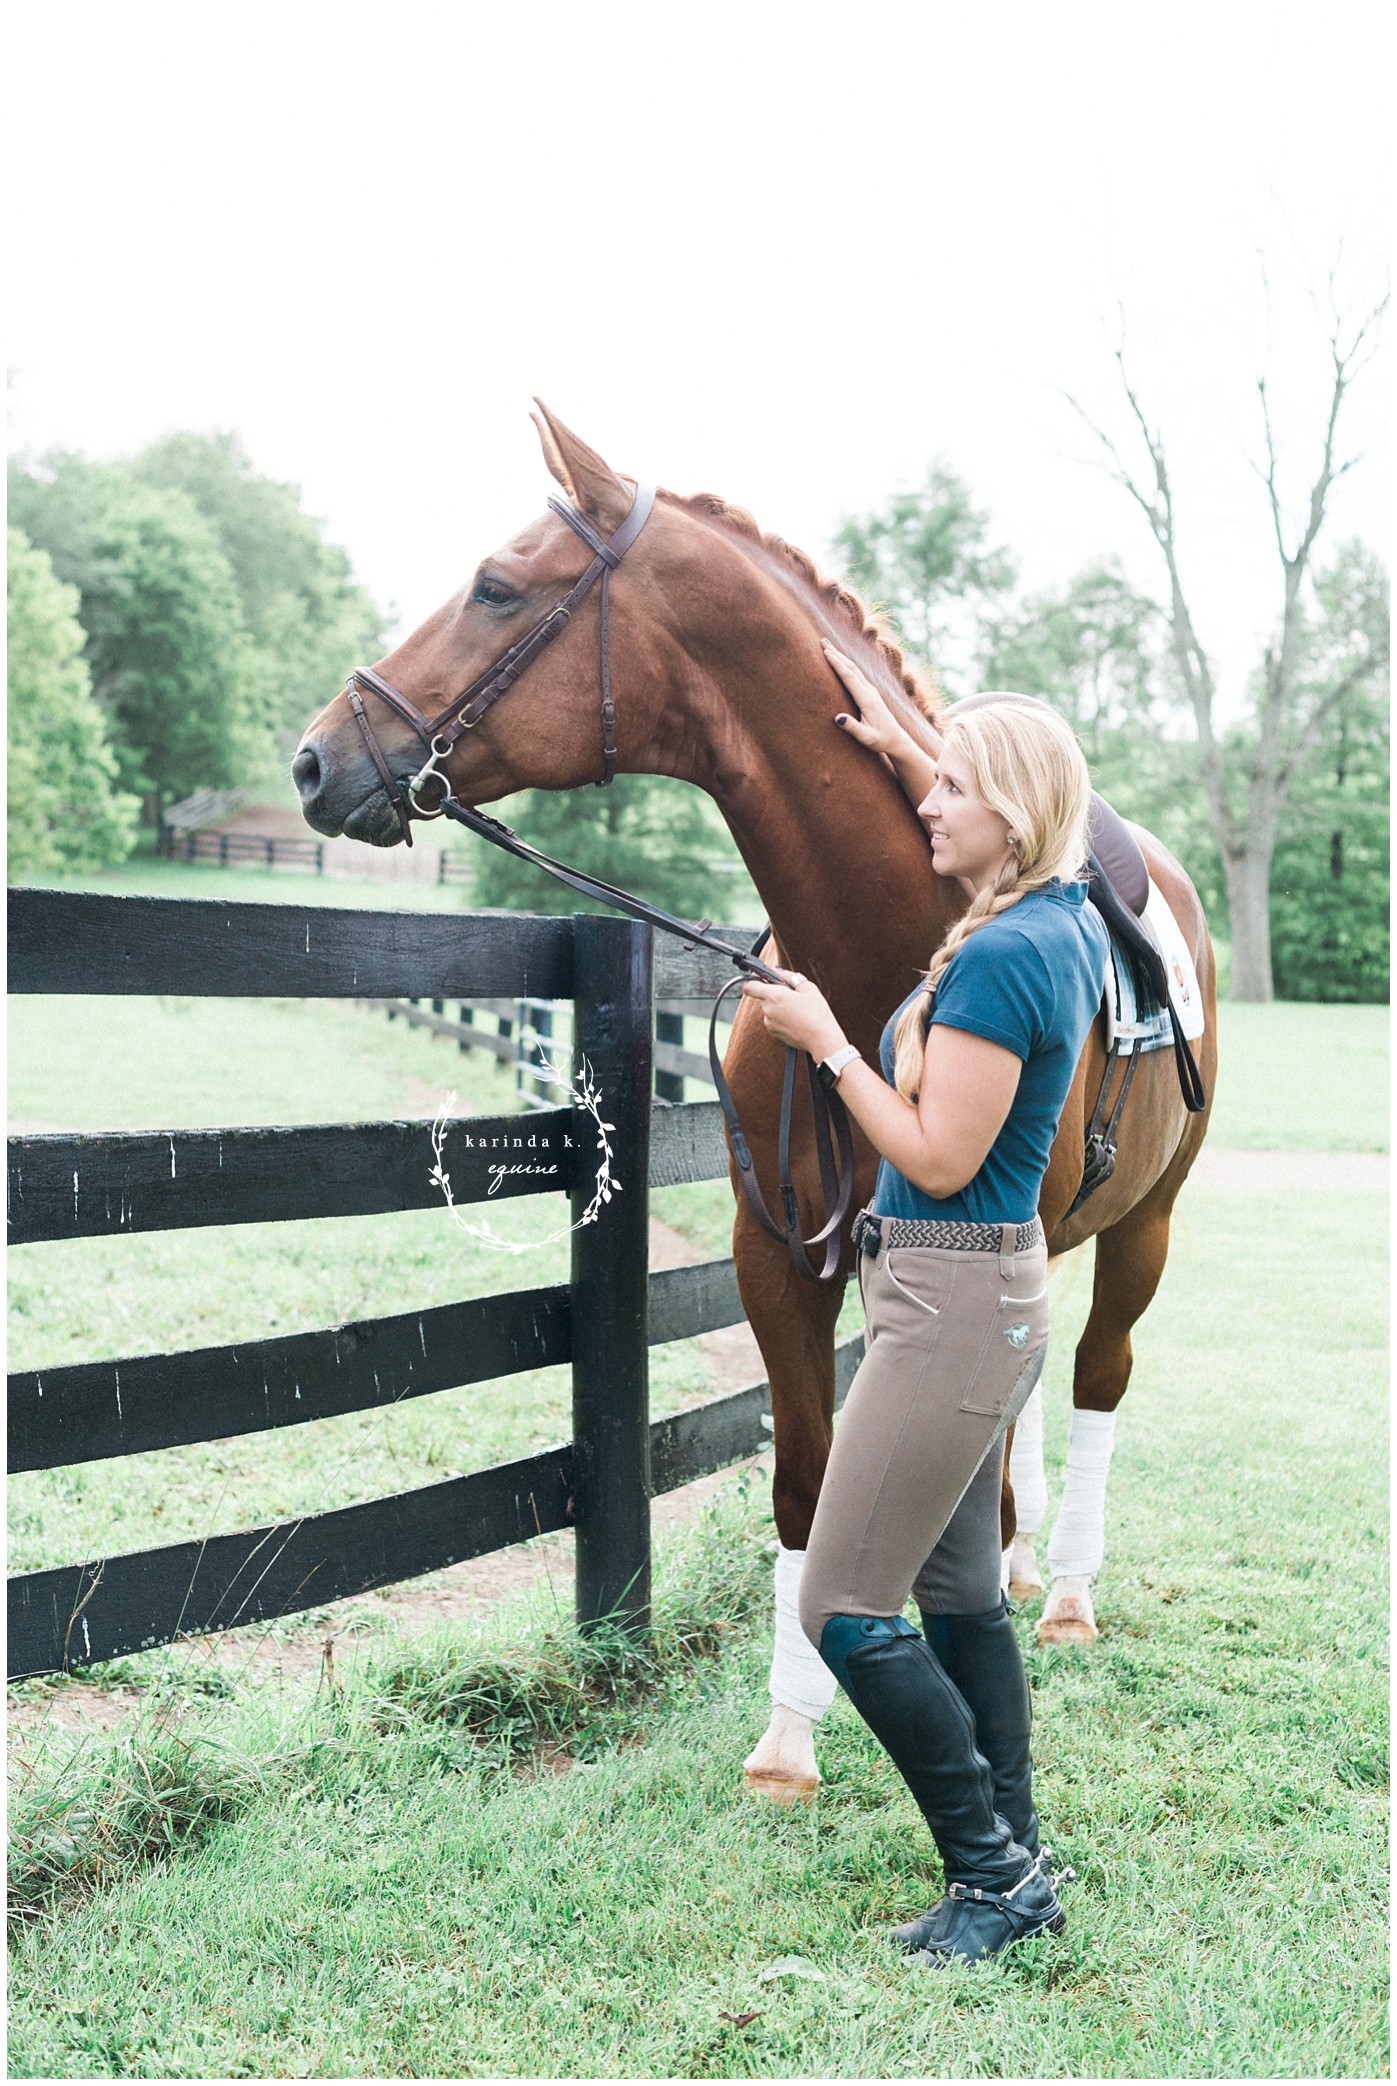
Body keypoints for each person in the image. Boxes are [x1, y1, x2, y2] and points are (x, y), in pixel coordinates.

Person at [740, 645, 1109, 1968]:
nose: (927, 807)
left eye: (951, 790)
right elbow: (997, 810)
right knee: (960, 1593)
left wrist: (825, 1043)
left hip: (947, 1300)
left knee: (842, 1601)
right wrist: (908, 752)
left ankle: (990, 1873)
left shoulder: (1007, 954)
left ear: (1010, 812)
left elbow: (938, 1154)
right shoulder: (1060, 914)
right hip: (982, 1293)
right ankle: (1015, 1845)